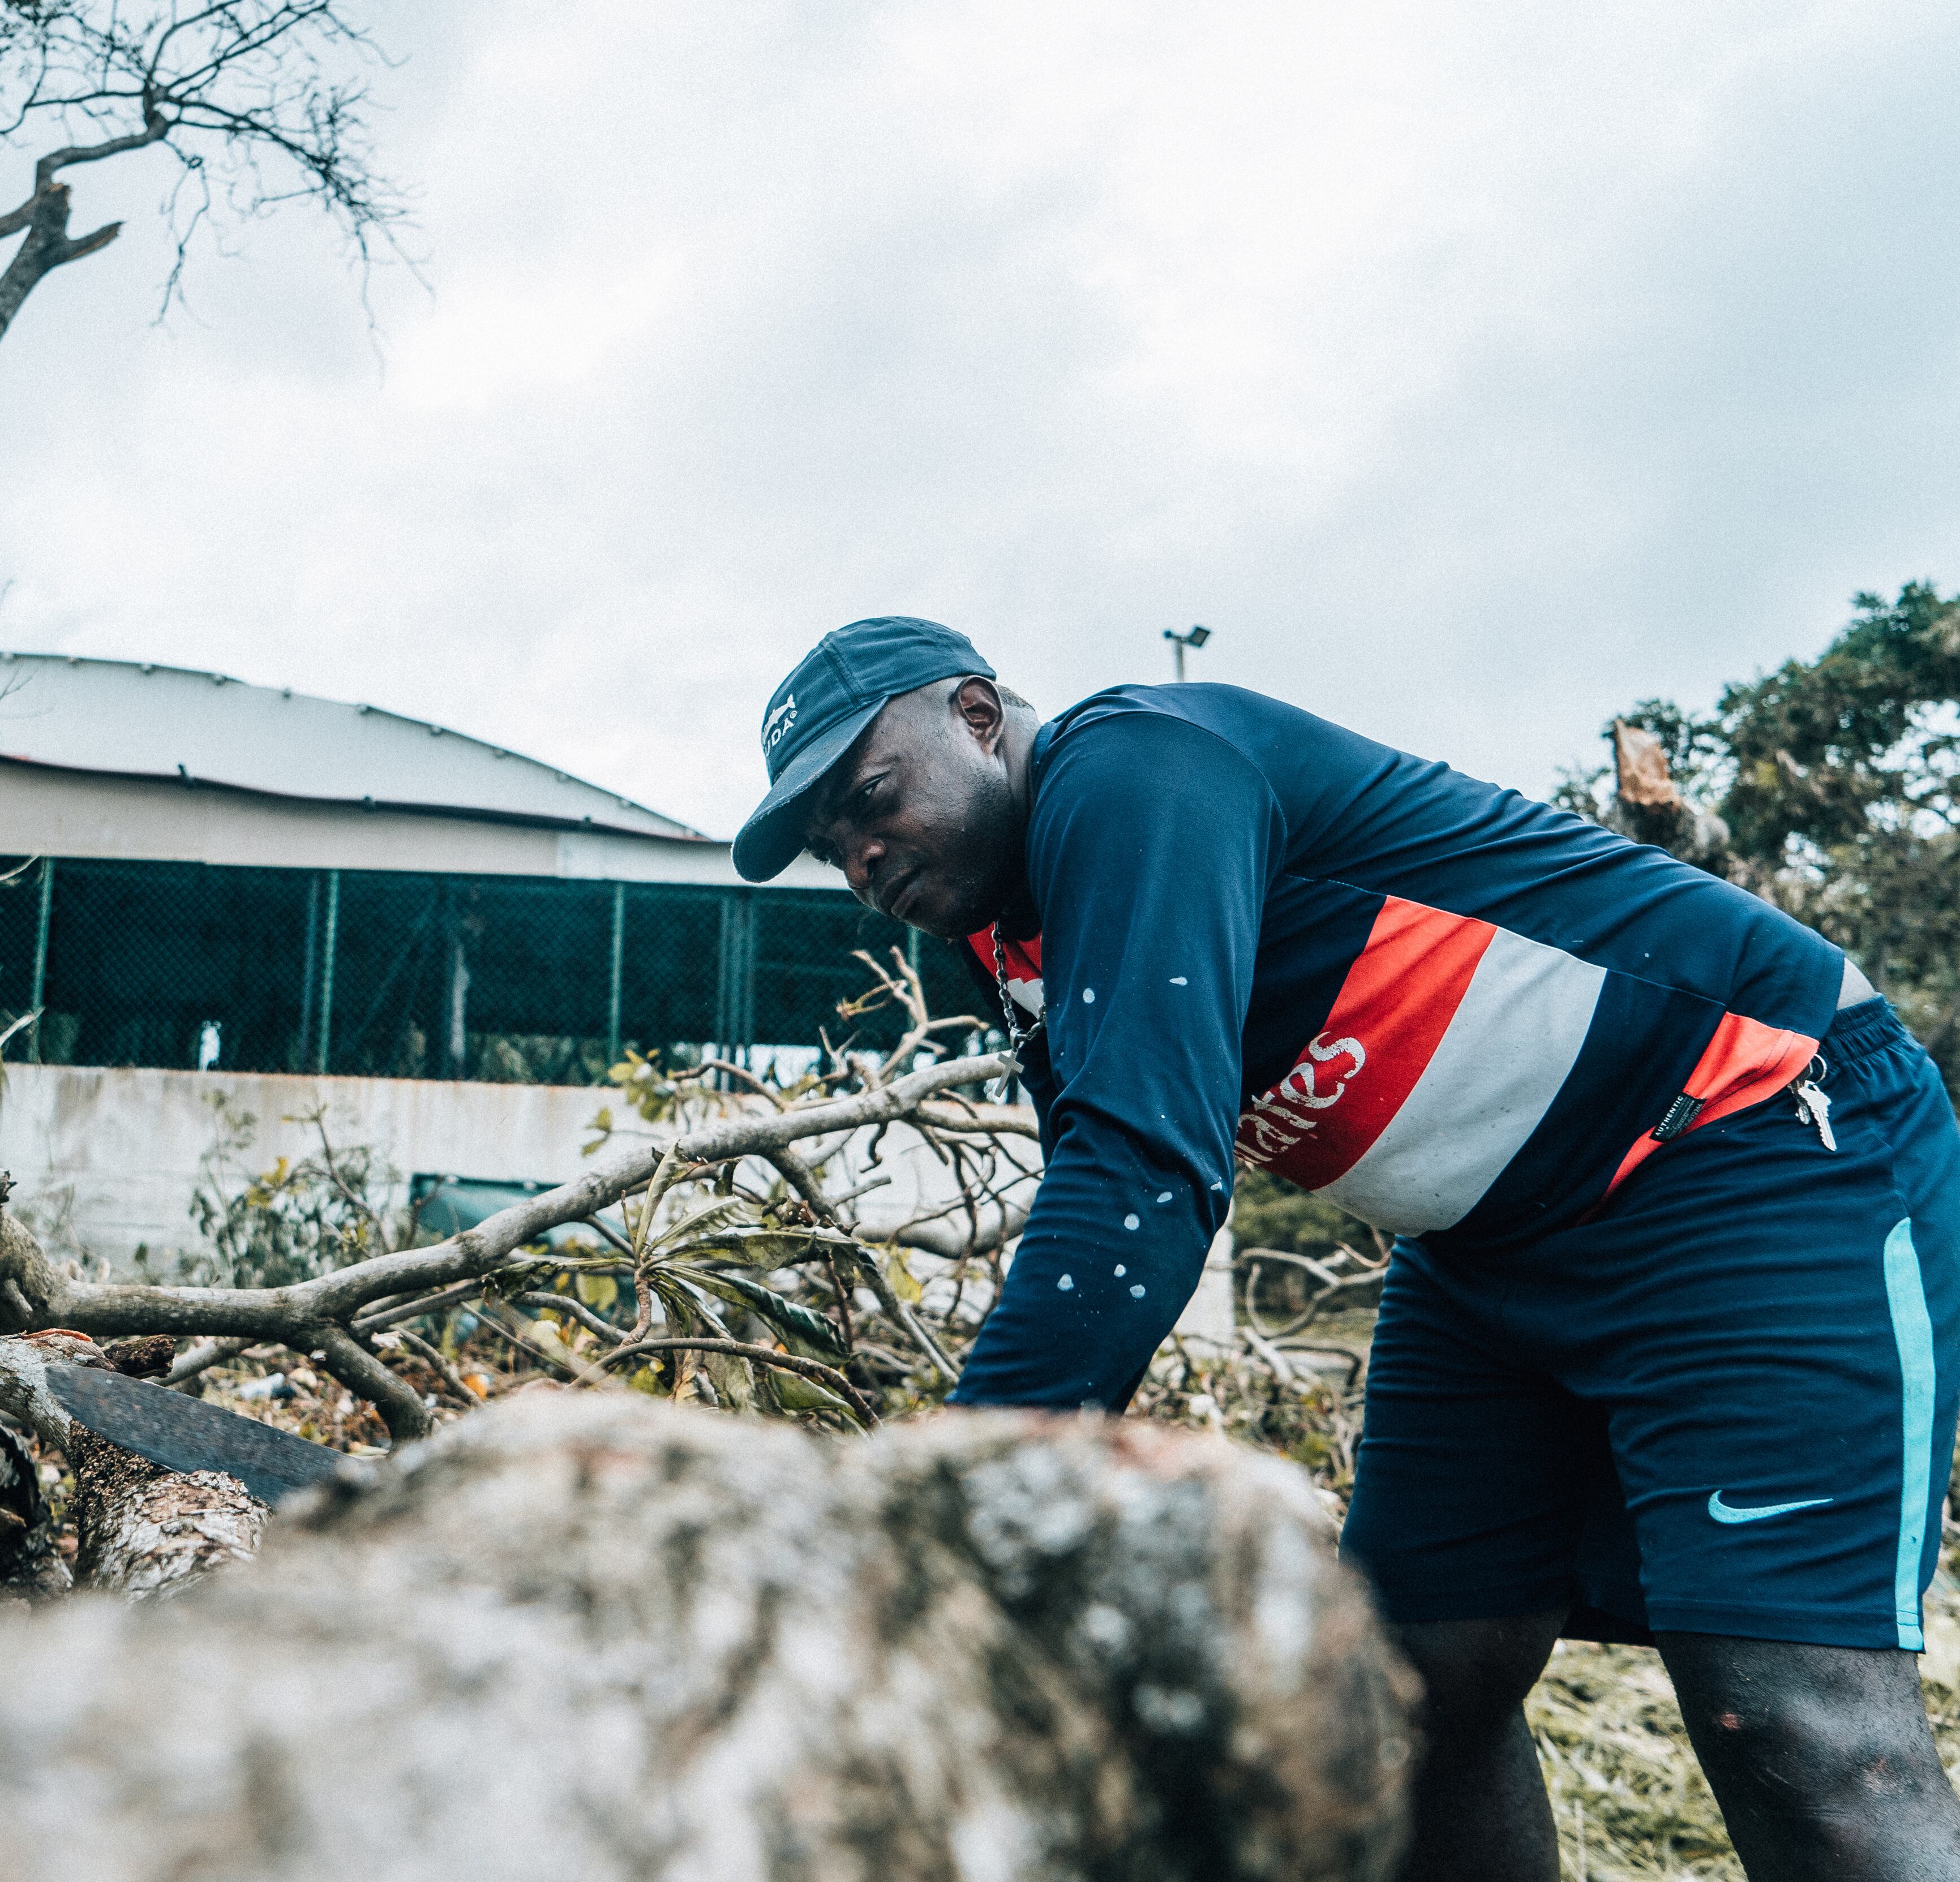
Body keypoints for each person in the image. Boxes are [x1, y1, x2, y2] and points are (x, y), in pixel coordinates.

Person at [735, 615, 1960, 1881]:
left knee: (1791, 1720)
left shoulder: (1134, 769)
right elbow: (1101, 1200)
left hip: (1751, 1143)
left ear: (979, 718)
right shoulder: (1008, 935)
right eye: (834, 846)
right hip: (1486, 1248)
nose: (863, 856)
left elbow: (1142, 1178)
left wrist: (933, 1516)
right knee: (1406, 1697)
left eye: (870, 798)